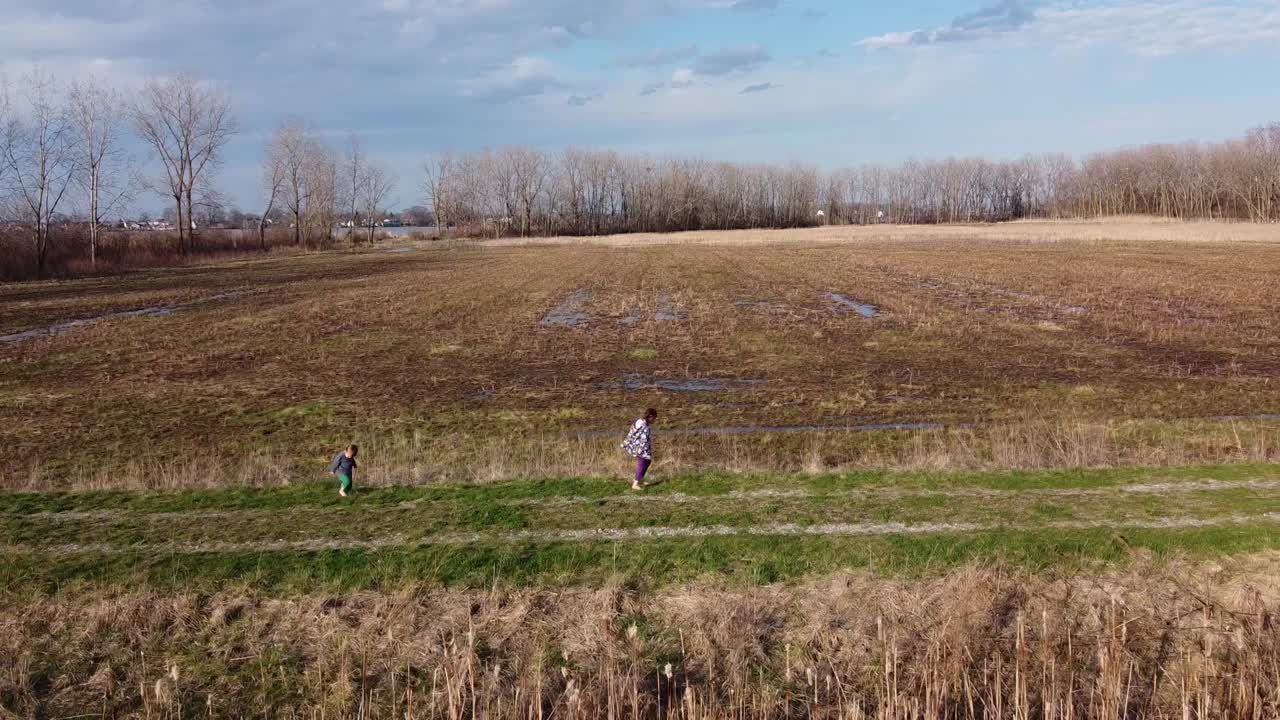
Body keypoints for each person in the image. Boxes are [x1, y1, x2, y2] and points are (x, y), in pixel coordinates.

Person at [621, 408, 658, 490]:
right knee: (642, 463)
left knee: (648, 461)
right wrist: (629, 443)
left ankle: (640, 479)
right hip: (639, 447)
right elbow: (633, 433)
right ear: (650, 416)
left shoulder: (645, 423)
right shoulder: (641, 423)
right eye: (654, 418)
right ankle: (635, 484)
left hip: (644, 447)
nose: (655, 420)